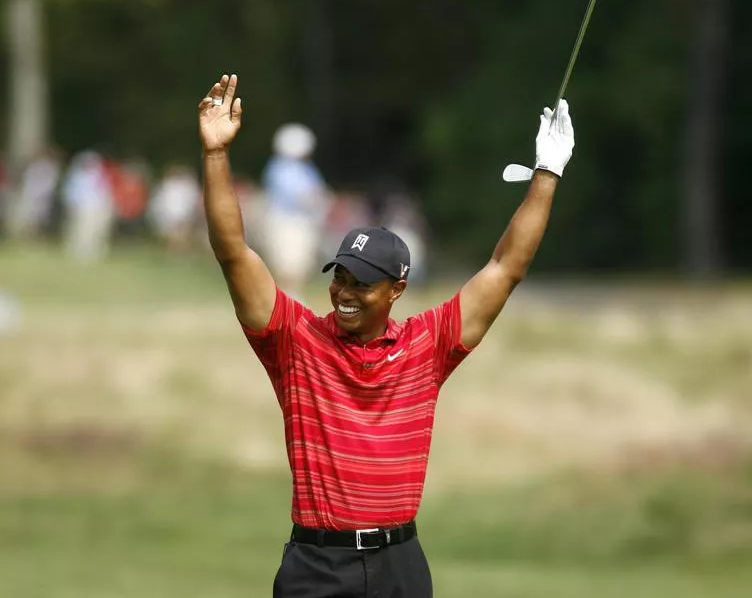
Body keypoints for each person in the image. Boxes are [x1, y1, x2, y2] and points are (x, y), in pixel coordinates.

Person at [199, 74, 575, 598]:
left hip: (400, 565)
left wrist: (547, 174)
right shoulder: (294, 338)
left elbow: (505, 268)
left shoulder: (428, 344)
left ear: (397, 289)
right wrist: (216, 154)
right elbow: (233, 252)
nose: (344, 293)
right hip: (318, 565)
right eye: (340, 277)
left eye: (362, 283)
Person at [260, 122, 330, 297]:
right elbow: (300, 196)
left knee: (300, 264)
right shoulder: (281, 168)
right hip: (287, 221)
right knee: (287, 264)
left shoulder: (305, 169)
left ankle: (292, 296)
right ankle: (288, 299)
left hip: (301, 222)